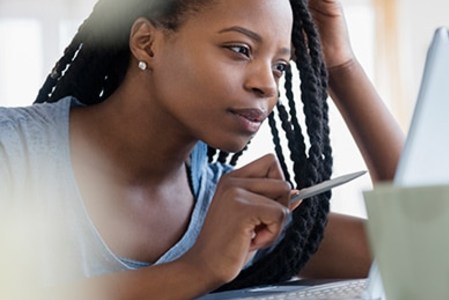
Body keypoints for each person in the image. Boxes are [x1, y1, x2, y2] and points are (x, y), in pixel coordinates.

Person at [0, 0, 404, 298]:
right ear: (147, 43)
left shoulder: (230, 212)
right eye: (240, 49)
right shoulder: (13, 153)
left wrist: (340, 66)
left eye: (280, 66)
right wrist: (197, 269)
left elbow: (432, 249)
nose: (269, 85)